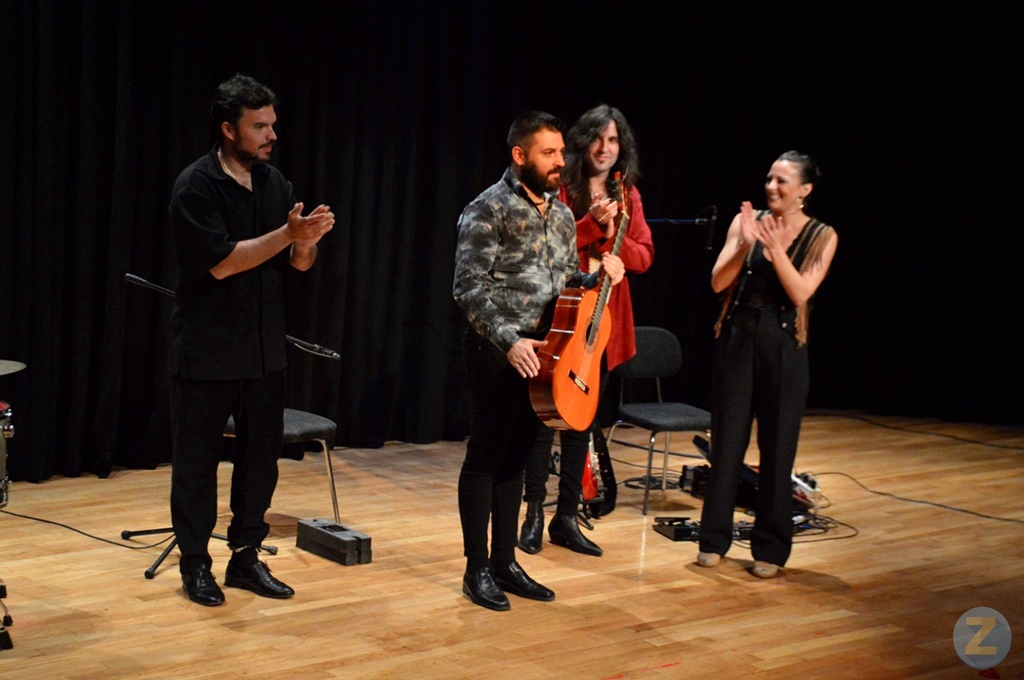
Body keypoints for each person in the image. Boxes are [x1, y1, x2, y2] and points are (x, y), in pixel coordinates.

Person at [167, 74, 334, 606]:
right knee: (197, 465)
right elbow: (220, 264)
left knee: (260, 462)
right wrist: (288, 235)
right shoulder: (196, 186)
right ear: (228, 129)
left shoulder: (274, 183)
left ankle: (245, 557)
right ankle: (195, 564)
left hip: (264, 351)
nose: (271, 135)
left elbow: (299, 265)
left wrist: (305, 242)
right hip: (206, 349)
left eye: (272, 125)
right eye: (259, 126)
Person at [453, 111, 625, 611]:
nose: (559, 161)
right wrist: (510, 341)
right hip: (498, 350)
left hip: (548, 352)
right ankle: (476, 569)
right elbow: (467, 288)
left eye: (560, 152)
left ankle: (505, 562)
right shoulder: (488, 208)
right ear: (519, 155)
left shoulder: (563, 214)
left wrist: (598, 276)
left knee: (517, 458)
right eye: (548, 153)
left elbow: (566, 278)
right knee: (486, 458)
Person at [519, 105, 654, 557]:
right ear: (583, 141)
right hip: (562, 316)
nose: (604, 148)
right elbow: (547, 244)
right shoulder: (561, 186)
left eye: (613, 140)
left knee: (583, 422)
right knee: (546, 418)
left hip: (602, 323)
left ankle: (566, 516)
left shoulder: (628, 194)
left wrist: (617, 247)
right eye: (597, 138)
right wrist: (591, 225)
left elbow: (644, 255)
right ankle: (532, 513)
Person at [696, 151, 837, 578]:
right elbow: (717, 282)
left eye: (782, 182)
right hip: (739, 334)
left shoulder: (822, 235)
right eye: (769, 179)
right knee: (727, 444)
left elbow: (800, 293)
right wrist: (745, 244)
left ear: (804, 190)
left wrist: (776, 250)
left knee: (777, 448)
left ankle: (770, 549)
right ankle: (713, 539)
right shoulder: (747, 221)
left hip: (783, 342)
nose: (771, 187)